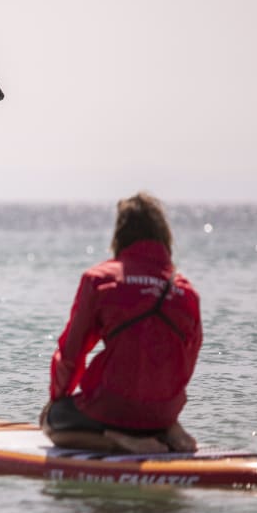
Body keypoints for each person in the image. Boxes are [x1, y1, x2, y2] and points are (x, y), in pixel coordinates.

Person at [41, 192, 202, 454]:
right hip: (163, 410)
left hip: (112, 406)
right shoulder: (185, 290)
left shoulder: (100, 280)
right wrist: (166, 406)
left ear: (120, 234)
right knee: (146, 412)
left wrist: (59, 398)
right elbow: (188, 358)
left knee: (52, 422)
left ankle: (119, 441)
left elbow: (72, 353)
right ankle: (168, 429)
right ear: (164, 237)